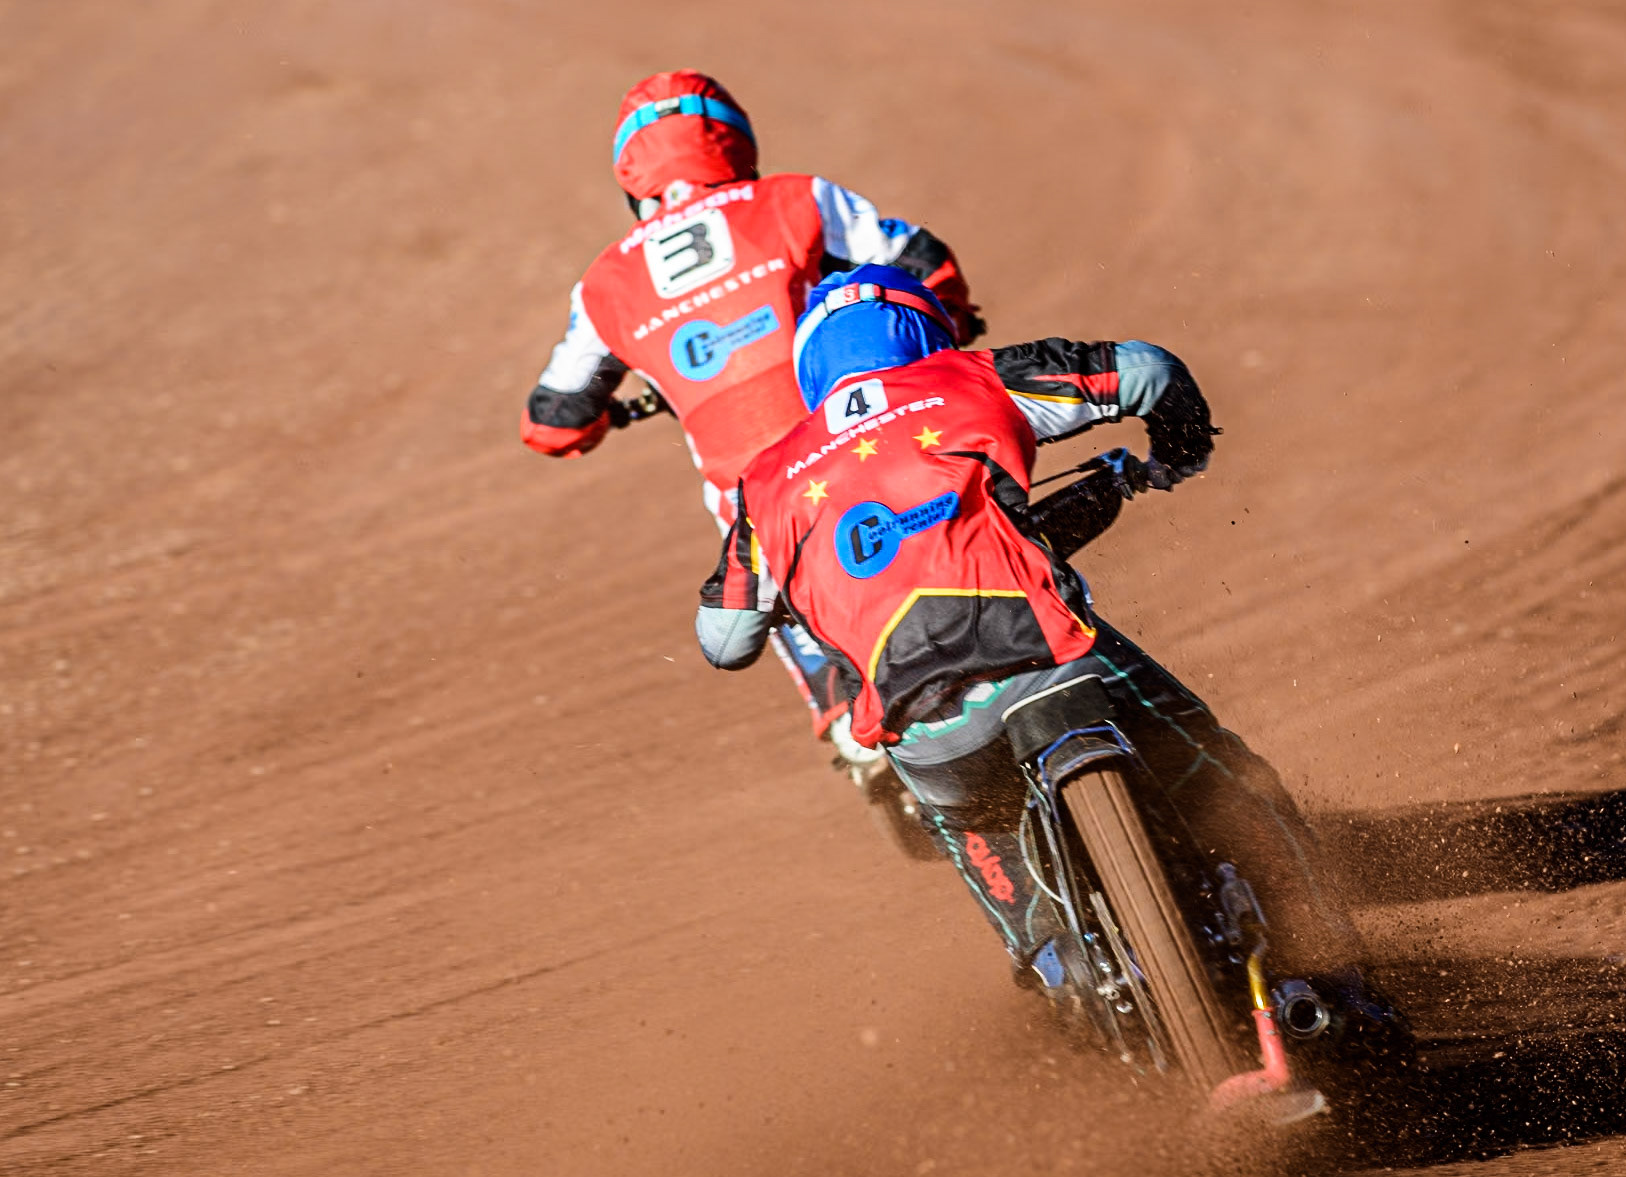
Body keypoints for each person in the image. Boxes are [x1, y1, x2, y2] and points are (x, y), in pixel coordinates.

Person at [696, 265, 1385, 1016]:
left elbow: (726, 639)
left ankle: (1059, 973)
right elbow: (1147, 371)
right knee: (1229, 778)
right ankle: (1347, 982)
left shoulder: (764, 483)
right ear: (927, 331)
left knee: (967, 827)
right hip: (1048, 661)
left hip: (927, 733)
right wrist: (1182, 450)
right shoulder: (970, 380)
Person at [523, 70, 984, 776]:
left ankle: (849, 724)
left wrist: (606, 415)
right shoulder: (796, 196)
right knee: (998, 535)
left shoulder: (605, 283)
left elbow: (551, 422)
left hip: (767, 511)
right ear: (734, 144)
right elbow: (927, 266)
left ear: (632, 177)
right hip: (879, 443)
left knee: (777, 589)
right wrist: (946, 320)